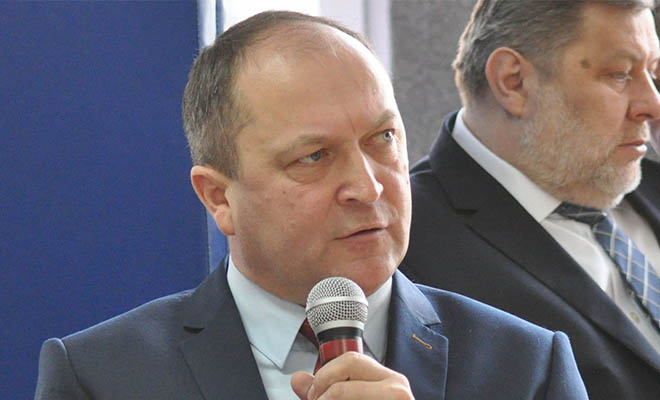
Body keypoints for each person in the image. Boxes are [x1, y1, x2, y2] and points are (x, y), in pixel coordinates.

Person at [34, 11, 588, 400]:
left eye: (383, 139)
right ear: (219, 197)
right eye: (314, 157)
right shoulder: (102, 377)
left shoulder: (526, 367)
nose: (368, 188)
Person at [402, 0, 660, 399]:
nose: (652, 104)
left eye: (654, 74)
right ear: (514, 82)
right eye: (620, 75)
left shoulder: (649, 182)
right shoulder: (404, 242)